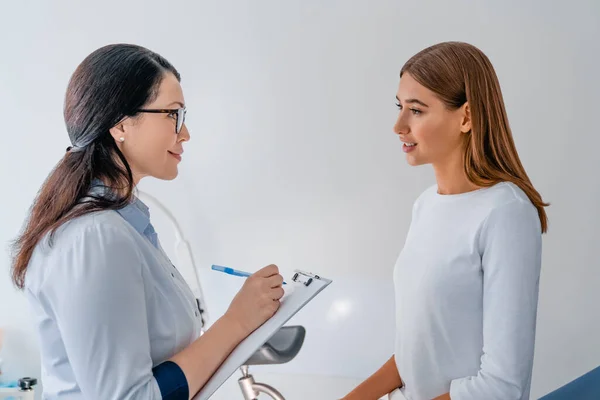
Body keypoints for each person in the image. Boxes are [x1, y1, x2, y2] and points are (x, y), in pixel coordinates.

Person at [10, 43, 285, 400]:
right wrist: (236, 322)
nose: (184, 133)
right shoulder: (95, 237)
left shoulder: (124, 225)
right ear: (121, 124)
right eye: (173, 114)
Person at [342, 41, 549, 400]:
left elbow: (502, 387)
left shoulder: (506, 214)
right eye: (400, 107)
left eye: (417, 111)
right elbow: (417, 352)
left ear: (466, 117)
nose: (398, 125)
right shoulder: (426, 206)